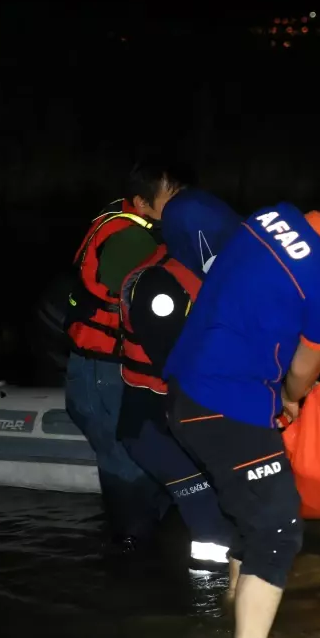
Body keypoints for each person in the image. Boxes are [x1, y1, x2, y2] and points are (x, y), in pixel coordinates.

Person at [163, 178, 320, 638]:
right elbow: (301, 372)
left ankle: (232, 610)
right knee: (281, 527)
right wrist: (293, 393)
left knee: (252, 518)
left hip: (185, 388)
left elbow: (258, 301)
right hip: (225, 404)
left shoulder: (268, 219)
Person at [115, 184, 243, 571]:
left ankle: (133, 558)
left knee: (161, 513)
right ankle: (212, 595)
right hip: (151, 423)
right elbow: (178, 364)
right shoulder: (158, 288)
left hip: (183, 420)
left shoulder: (206, 278)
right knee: (205, 503)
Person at [63, 159, 187, 551]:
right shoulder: (131, 240)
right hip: (105, 368)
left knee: (136, 452)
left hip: (106, 365)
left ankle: (141, 538)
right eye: (174, 197)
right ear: (141, 201)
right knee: (123, 459)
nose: (181, 204)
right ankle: (130, 545)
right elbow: (141, 307)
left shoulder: (127, 222)